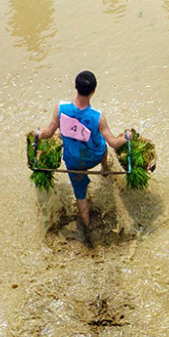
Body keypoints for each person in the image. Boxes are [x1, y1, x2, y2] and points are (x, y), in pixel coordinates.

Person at [36, 71, 129, 233]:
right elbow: (113, 142)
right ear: (94, 91)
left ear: (75, 86)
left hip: (74, 163)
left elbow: (48, 133)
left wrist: (37, 134)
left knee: (80, 195)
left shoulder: (60, 109)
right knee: (102, 145)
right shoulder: (98, 117)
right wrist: (127, 137)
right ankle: (104, 167)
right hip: (94, 157)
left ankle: (87, 229)